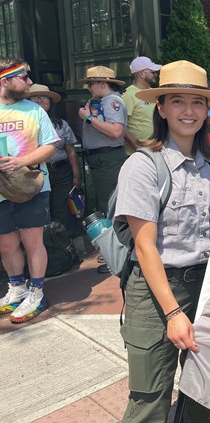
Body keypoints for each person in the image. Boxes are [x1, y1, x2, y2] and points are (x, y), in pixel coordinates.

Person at [116, 60, 210, 423]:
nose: (188, 111)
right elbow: (146, 247)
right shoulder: (143, 165)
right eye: (177, 101)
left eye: (197, 102)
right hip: (156, 293)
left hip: (205, 290)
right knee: (150, 399)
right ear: (161, 108)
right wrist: (172, 314)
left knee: (203, 393)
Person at [0, 59, 58, 323]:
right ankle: (17, 289)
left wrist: (20, 161)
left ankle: (37, 293)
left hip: (32, 187)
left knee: (32, 241)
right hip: (1, 191)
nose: (29, 82)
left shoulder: (34, 111)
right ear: (5, 81)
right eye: (24, 77)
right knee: (6, 244)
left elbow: (51, 146)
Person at [78, 66, 128, 273]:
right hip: (101, 159)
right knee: (106, 203)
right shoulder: (103, 102)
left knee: (111, 206)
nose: (89, 88)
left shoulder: (112, 102)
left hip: (108, 158)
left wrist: (88, 118)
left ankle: (117, 255)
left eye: (91, 83)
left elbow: (116, 132)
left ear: (103, 83)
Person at [29, 83, 82, 234]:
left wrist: (76, 176)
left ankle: (63, 247)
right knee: (41, 210)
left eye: (44, 97)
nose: (40, 100)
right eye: (35, 97)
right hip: (37, 173)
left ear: (50, 102)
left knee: (61, 210)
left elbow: (71, 151)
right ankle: (46, 246)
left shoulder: (61, 125)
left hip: (61, 172)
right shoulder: (26, 125)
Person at [122, 56, 162, 155]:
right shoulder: (129, 95)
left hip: (158, 149)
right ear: (142, 74)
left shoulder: (155, 92)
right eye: (152, 72)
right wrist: (137, 147)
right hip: (137, 154)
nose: (155, 75)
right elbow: (122, 126)